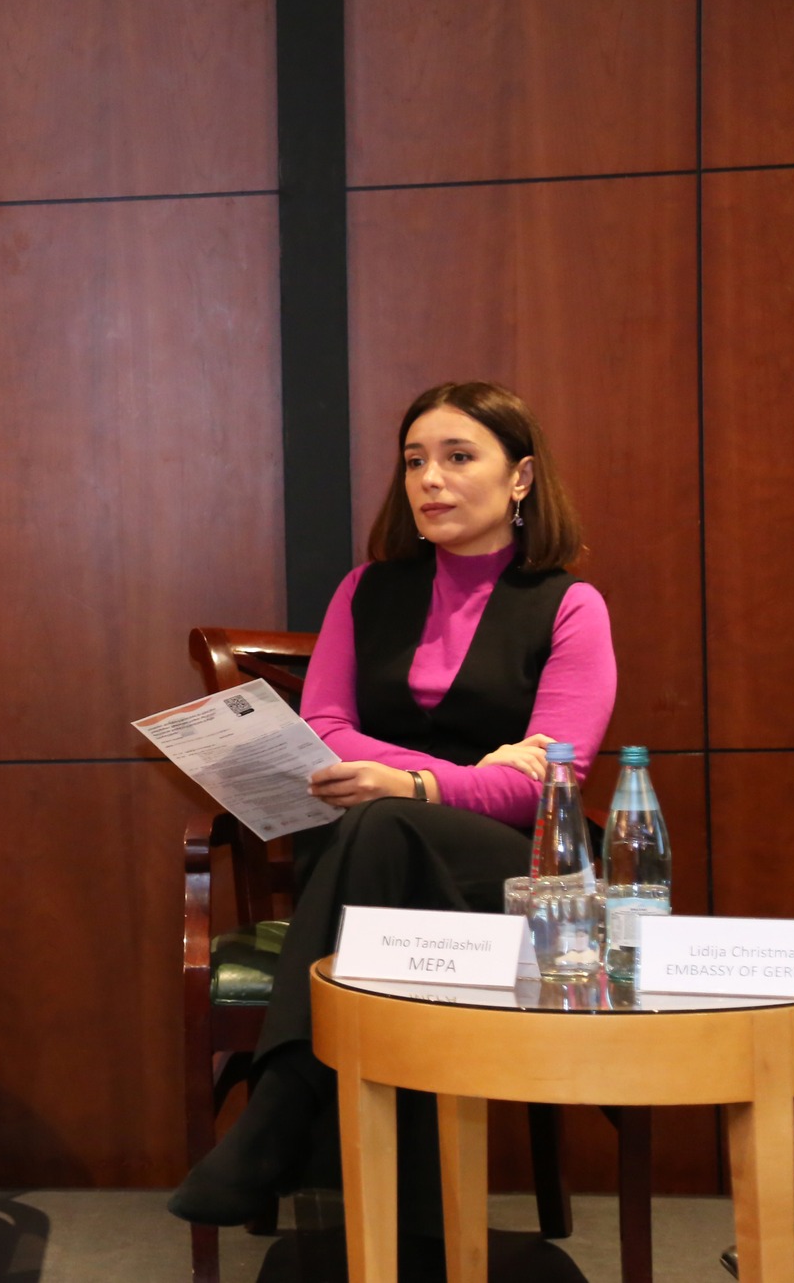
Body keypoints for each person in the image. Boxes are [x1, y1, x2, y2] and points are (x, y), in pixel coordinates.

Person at [167, 381, 615, 1239]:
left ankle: (279, 1107)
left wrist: (413, 785)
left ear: (521, 477)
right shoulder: (365, 592)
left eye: (458, 457)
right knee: (379, 834)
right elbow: (328, 734)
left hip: (522, 877)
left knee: (385, 822)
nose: (430, 480)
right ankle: (393, 1205)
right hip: (374, 862)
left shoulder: (568, 606)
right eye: (414, 461)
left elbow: (548, 786)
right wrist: (466, 772)